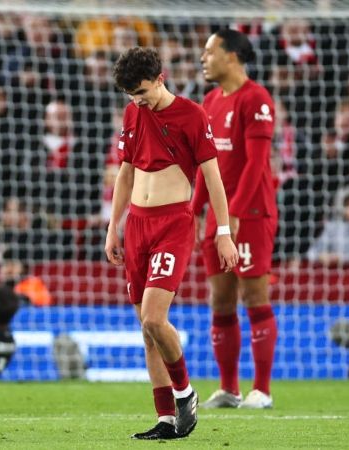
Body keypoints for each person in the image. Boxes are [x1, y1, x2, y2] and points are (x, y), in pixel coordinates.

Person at [105, 47, 238, 440]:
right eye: (130, 94)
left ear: (160, 78)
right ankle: (165, 418)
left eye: (142, 91)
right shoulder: (133, 113)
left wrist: (224, 232)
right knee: (147, 331)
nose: (137, 100)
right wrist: (114, 227)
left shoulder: (192, 115)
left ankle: (185, 394)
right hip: (137, 226)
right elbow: (125, 175)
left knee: (153, 317)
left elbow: (213, 179)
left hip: (173, 224)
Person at [194, 29, 279, 410]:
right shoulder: (210, 101)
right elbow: (204, 165)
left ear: (231, 56)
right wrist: (194, 209)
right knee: (221, 299)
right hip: (218, 217)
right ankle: (229, 389)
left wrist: (238, 213)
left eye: (210, 52)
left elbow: (256, 163)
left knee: (254, 295)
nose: (203, 59)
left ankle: (262, 389)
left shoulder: (256, 99)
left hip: (252, 214)